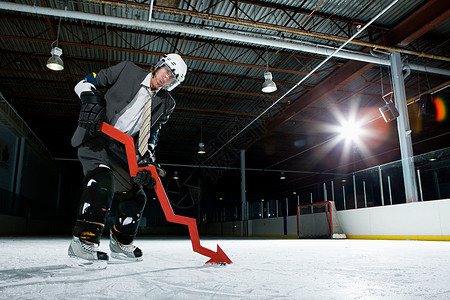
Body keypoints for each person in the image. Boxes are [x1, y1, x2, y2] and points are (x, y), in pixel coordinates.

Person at [68, 54, 187, 265]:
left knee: (135, 197)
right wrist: (90, 99)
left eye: (172, 79)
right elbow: (86, 82)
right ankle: (82, 242)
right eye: (167, 71)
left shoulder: (166, 103)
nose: (166, 78)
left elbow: (153, 134)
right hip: (97, 137)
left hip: (121, 150)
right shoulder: (127, 70)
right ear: (159, 65)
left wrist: (147, 161)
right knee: (103, 180)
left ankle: (120, 242)